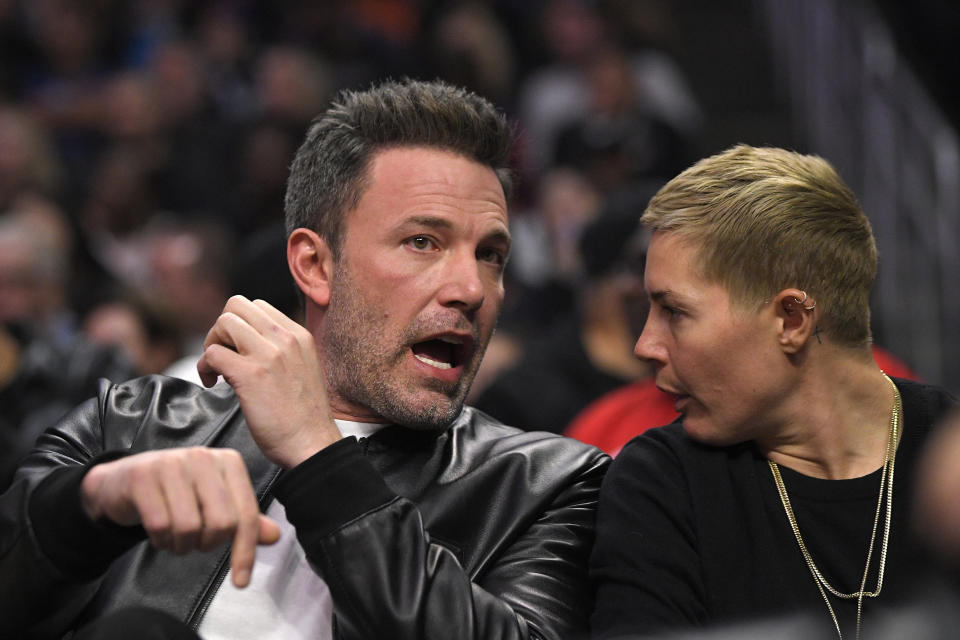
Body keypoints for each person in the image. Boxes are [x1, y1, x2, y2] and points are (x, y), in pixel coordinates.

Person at [0, 79, 609, 640]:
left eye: (491, 255)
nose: (471, 289)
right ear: (315, 266)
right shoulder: (134, 423)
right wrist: (88, 509)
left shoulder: (548, 484)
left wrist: (319, 455)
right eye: (423, 242)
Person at [588, 145, 957, 639]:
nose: (645, 345)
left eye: (674, 312)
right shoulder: (659, 484)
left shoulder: (949, 462)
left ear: (791, 319)